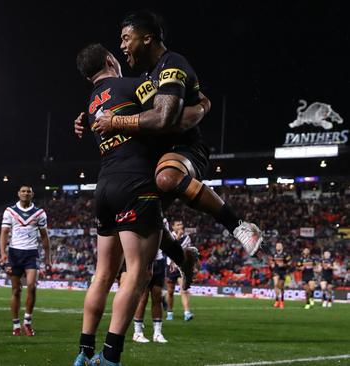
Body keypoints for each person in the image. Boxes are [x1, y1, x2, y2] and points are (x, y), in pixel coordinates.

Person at [72, 44, 208, 366]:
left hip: (103, 187)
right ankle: (110, 356)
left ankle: (84, 352)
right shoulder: (133, 85)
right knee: (138, 272)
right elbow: (166, 116)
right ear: (109, 60)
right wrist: (201, 106)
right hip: (135, 183)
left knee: (102, 274)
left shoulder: (91, 104)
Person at [86, 10, 263, 257]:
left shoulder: (172, 65)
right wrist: (87, 118)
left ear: (146, 38)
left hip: (186, 149)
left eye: (127, 38)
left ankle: (239, 226)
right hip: (158, 156)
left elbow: (163, 119)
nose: (122, 45)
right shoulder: (145, 77)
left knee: (166, 179)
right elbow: (161, 114)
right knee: (144, 209)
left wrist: (116, 121)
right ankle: (182, 258)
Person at [0, 185, 51, 336]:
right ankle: (16, 324)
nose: (26, 193)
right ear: (18, 193)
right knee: (16, 290)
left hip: (31, 254)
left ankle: (27, 322)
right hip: (14, 254)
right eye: (23, 191)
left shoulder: (40, 213)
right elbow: (4, 233)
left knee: (32, 286)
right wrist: (3, 253)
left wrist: (48, 257)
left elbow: (44, 236)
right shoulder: (10, 211)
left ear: (32, 194)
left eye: (28, 191)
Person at [131, 248, 168, 343]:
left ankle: (157, 333)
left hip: (159, 261)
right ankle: (138, 333)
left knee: (157, 296)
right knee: (143, 297)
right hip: (144, 261)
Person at [165, 220, 194, 321]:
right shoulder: (169, 236)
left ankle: (187, 312)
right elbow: (171, 249)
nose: (180, 226)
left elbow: (187, 251)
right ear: (173, 227)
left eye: (181, 224)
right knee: (170, 292)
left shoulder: (187, 238)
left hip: (182, 267)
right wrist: (177, 237)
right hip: (170, 267)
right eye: (178, 225)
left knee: (184, 290)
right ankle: (169, 312)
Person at [269, 242, 290, 309]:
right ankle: (277, 300)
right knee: (275, 285)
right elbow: (271, 261)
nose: (278, 247)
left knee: (280, 286)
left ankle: (282, 301)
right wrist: (272, 264)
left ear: (282, 247)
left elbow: (289, 263)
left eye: (279, 246)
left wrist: (284, 265)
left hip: (283, 271)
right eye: (277, 245)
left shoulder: (285, 254)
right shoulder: (273, 254)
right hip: (276, 271)